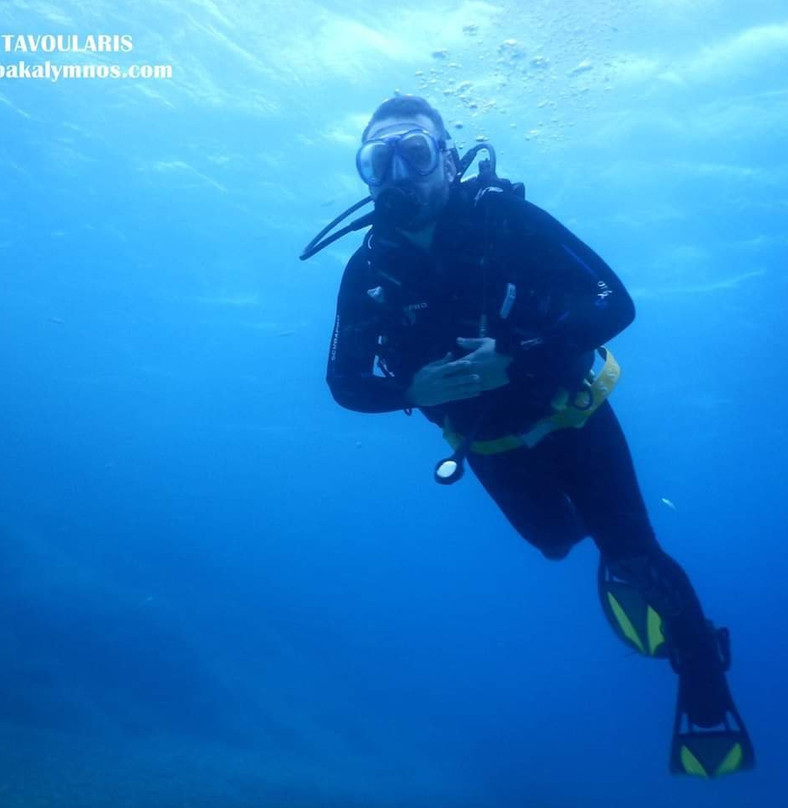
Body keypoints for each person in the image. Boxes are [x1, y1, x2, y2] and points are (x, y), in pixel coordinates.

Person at [318, 95, 754, 777]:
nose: (399, 173)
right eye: (379, 159)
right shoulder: (368, 270)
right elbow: (343, 383)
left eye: (415, 152)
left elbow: (615, 301)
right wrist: (411, 392)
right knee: (554, 542)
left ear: (449, 160)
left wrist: (520, 358)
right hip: (488, 448)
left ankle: (703, 682)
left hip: (573, 416)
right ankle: (607, 557)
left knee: (634, 551)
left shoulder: (505, 221)